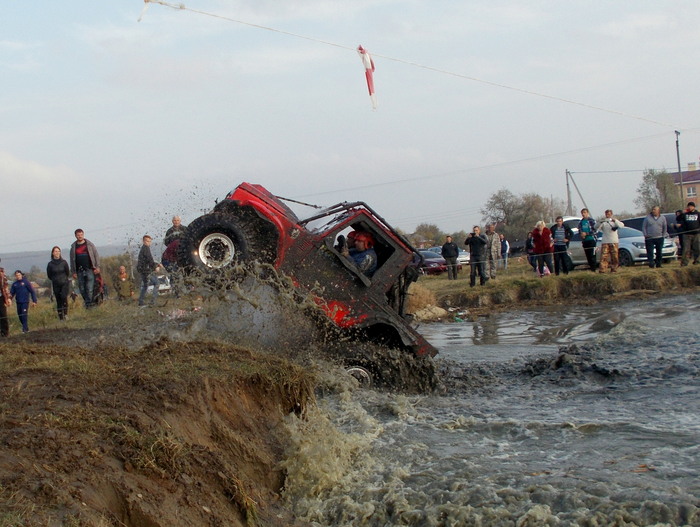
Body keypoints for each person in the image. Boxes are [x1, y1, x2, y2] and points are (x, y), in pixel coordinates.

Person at [69, 229, 100, 309]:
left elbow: (96, 255)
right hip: (79, 271)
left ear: (83, 235)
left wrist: (97, 267)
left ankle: (89, 305)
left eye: (81, 234)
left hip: (89, 269)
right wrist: (73, 272)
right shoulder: (73, 247)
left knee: (89, 288)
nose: (80, 236)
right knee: (82, 289)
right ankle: (88, 303)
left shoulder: (89, 244)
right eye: (78, 235)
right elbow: (72, 260)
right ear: (75, 236)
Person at [47, 246, 71, 320]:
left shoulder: (64, 262)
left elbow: (67, 272)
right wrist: (55, 279)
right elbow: (49, 275)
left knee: (64, 297)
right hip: (56, 283)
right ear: (53, 253)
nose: (57, 253)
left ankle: (66, 314)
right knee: (58, 299)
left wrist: (64, 279)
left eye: (58, 251)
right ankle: (61, 317)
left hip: (64, 283)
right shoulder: (50, 264)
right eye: (55, 251)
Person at [137, 235, 162, 307]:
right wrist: (155, 267)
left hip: (142, 270)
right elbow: (149, 259)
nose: (149, 243)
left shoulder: (143, 249)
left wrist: (157, 264)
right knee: (157, 283)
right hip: (146, 270)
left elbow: (147, 260)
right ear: (143, 241)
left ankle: (141, 302)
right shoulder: (146, 249)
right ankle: (153, 302)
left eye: (150, 241)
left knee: (145, 286)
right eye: (147, 241)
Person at [679, 202, 700, 266]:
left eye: (691, 206)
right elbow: (680, 221)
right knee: (686, 249)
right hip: (686, 234)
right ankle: (684, 263)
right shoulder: (685, 215)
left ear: (694, 207)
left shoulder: (698, 214)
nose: (689, 207)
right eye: (688, 206)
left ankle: (697, 261)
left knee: (697, 248)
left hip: (696, 234)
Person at [0, 267, 11, 337]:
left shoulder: (2, 274)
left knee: (3, 315)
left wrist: (8, 298)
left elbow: (5, 287)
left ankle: (4, 333)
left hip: (1, 297)